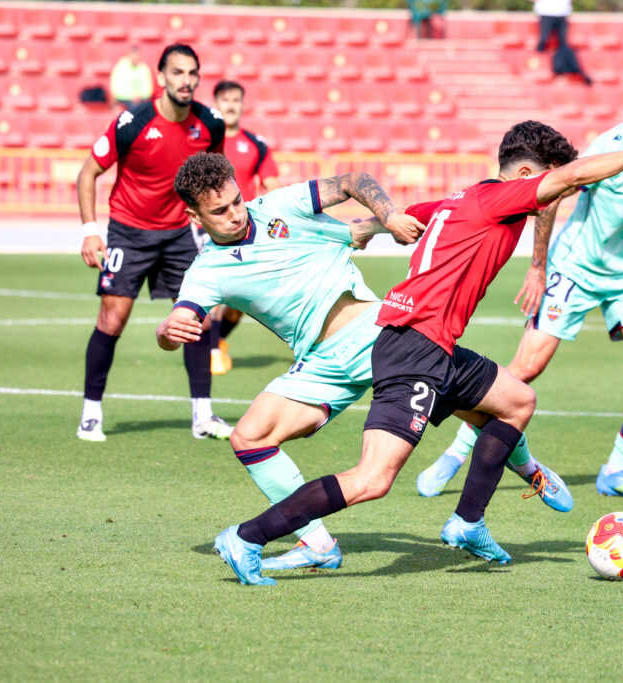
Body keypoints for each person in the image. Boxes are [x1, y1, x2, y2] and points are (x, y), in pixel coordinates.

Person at [212, 121, 623, 585]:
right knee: (372, 479)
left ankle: (468, 522)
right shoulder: (502, 199)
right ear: (525, 175)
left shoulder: (461, 199)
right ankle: (247, 537)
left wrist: (372, 226)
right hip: (413, 350)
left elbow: (404, 217)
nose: (556, 196)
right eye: (549, 183)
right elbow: (575, 176)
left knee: (517, 402)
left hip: (430, 344)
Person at [158, 153, 569, 573]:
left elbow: (352, 181)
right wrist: (168, 331)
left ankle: (525, 469)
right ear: (194, 216)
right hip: (321, 363)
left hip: (377, 336)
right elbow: (179, 321)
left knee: (500, 407)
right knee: (249, 436)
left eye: (237, 201)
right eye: (220, 211)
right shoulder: (207, 271)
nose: (235, 214)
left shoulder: (278, 206)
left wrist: (386, 218)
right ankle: (317, 543)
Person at [418, 60, 623, 503]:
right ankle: (454, 454)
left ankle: (616, 471)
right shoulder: (614, 144)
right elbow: (551, 193)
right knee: (526, 369)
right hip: (574, 266)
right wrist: (539, 266)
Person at [76, 44, 230, 443]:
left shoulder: (210, 124)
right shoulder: (133, 122)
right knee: (112, 319)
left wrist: (218, 228)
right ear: (160, 77)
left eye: (192, 73)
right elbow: (88, 173)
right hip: (129, 230)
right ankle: (90, 414)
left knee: (198, 320)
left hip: (181, 233)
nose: (186, 80)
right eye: (177, 72)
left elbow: (215, 179)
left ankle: (203, 417)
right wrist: (90, 231)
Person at [207, 79, 283, 375]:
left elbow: (272, 185)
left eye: (236, 100)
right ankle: (212, 352)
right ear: (216, 103)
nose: (231, 105)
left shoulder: (255, 144)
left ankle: (218, 340)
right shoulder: (204, 141)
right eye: (225, 100)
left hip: (245, 230)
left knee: (243, 301)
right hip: (211, 230)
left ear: (242, 104)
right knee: (216, 293)